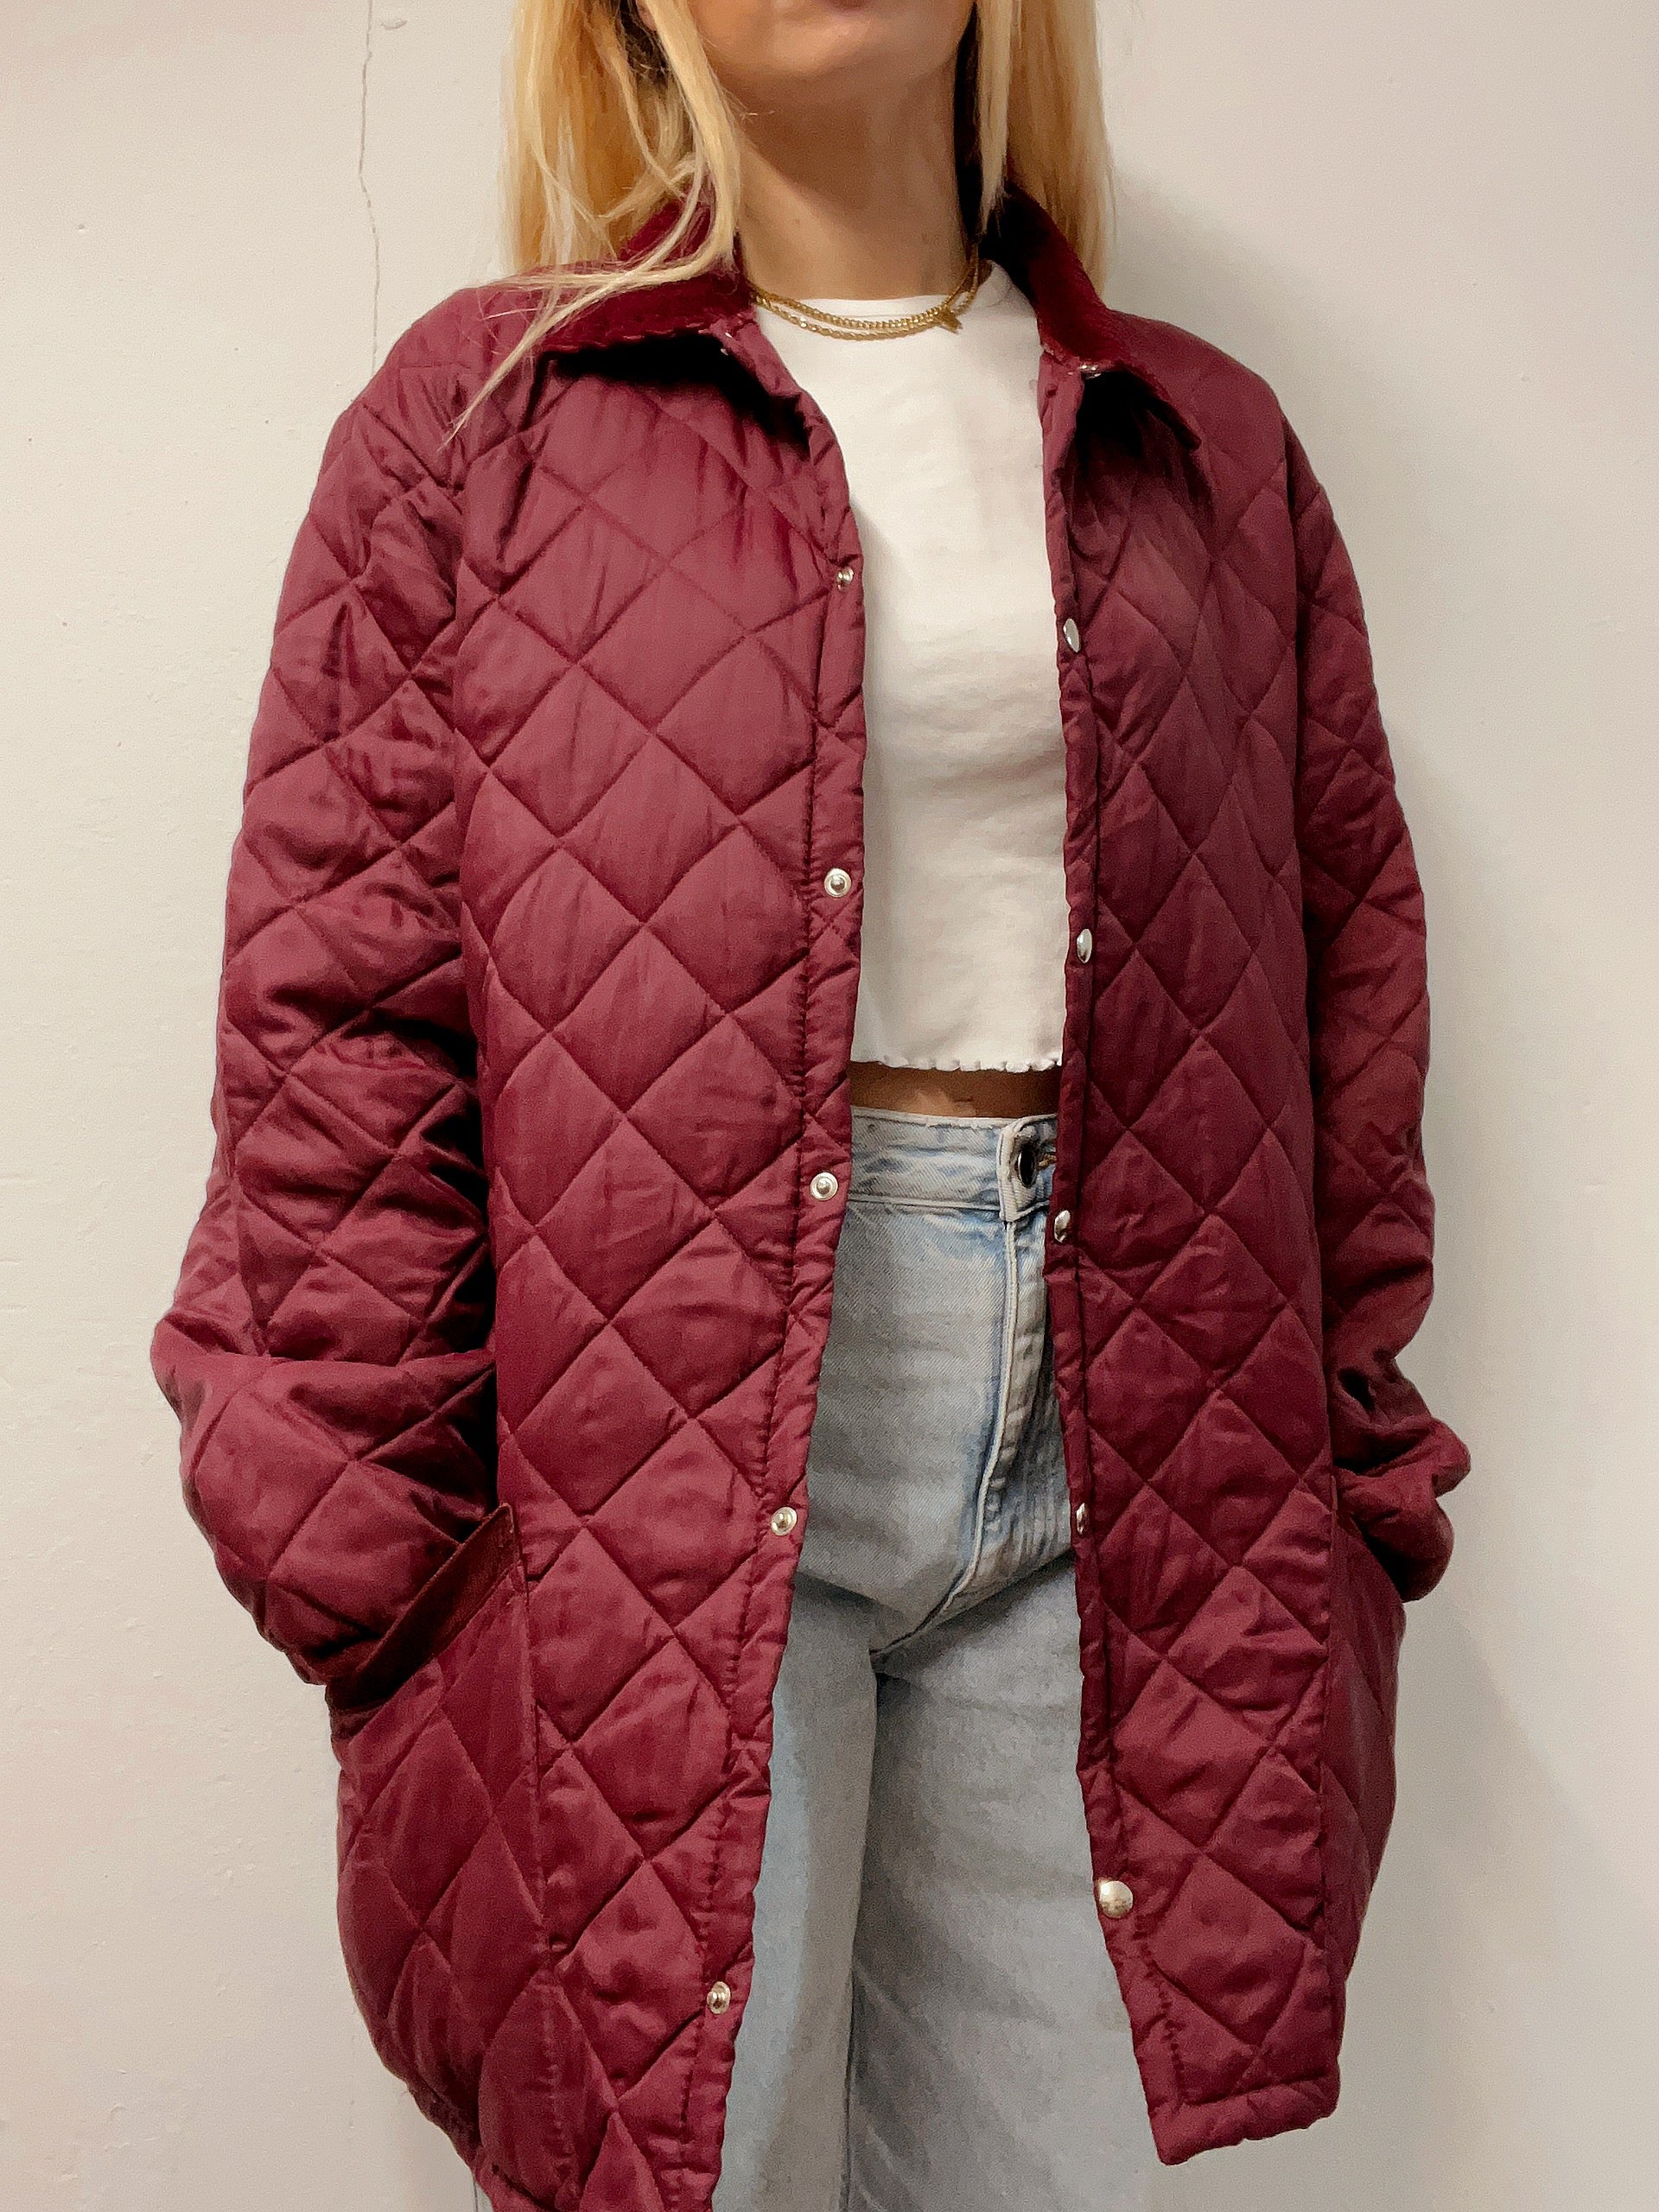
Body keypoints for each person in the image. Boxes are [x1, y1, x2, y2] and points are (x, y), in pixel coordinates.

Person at [150, 0, 1471, 2207]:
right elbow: (338, 1017)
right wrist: (379, 1570)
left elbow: (1345, 987)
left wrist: (1351, 1478)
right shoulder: (484, 425)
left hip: (1141, 1448)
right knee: (704, 2160)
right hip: (660, 1455)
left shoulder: (1203, 444)